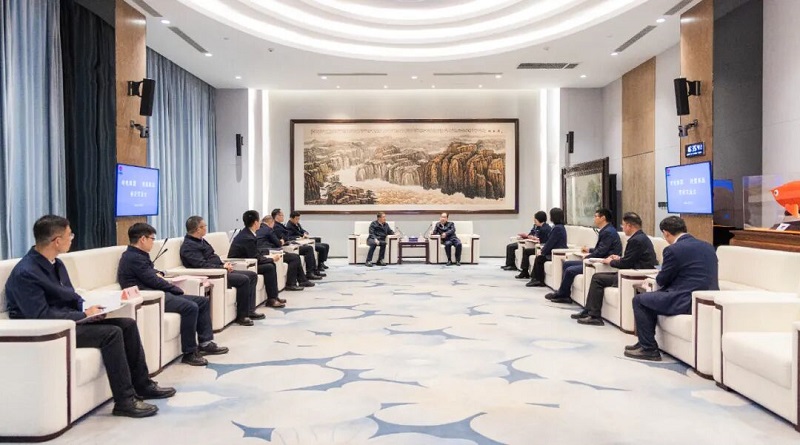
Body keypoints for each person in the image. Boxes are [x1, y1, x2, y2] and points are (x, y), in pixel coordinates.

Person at [4, 215, 175, 418]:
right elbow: (40, 315)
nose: (72, 239)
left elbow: (71, 296)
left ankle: (143, 385)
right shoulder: (26, 273)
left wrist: (91, 309)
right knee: (111, 333)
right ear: (57, 241)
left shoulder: (56, 264)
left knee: (127, 324)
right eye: (70, 235)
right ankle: (124, 401)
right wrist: (82, 315)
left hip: (70, 320)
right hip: (54, 332)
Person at [118, 223, 229, 366]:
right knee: (190, 307)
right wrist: (177, 290)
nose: (153, 242)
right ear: (142, 239)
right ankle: (189, 353)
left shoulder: (138, 255)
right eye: (152, 239)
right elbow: (152, 280)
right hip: (149, 296)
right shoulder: (134, 257)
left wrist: (160, 273)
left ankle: (205, 343)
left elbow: (151, 273)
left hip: (157, 292)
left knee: (202, 301)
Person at [625, 216, 719, 361]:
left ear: (666, 233)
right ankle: (644, 342)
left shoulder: (673, 250)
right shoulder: (708, 246)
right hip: (706, 300)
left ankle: (648, 348)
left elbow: (662, 279)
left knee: (639, 300)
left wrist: (654, 279)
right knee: (651, 298)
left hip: (685, 299)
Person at [573, 212, 658, 326]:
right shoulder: (640, 237)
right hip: (631, 270)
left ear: (629, 226)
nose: (622, 228)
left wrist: (610, 262)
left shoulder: (636, 240)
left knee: (597, 278)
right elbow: (632, 259)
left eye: (623, 225)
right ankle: (589, 311)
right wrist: (619, 258)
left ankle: (594, 315)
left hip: (632, 274)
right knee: (597, 277)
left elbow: (626, 264)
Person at [180, 216, 264, 326]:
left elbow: (211, 256)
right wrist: (222, 268)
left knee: (252, 275)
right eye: (204, 226)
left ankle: (250, 311)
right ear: (198, 229)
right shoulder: (189, 246)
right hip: (213, 275)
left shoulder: (201, 240)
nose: (206, 228)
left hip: (220, 269)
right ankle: (242, 316)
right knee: (243, 279)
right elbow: (201, 265)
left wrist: (224, 264)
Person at [545, 208, 622, 304]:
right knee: (566, 264)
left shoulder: (608, 232)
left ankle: (563, 295)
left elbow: (601, 252)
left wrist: (588, 257)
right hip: (598, 258)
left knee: (570, 270)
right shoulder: (606, 230)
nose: (594, 218)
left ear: (603, 218)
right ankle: (563, 293)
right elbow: (601, 249)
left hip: (602, 263)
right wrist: (589, 250)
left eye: (596, 216)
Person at [228, 210, 286, 308]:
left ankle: (274, 297)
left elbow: (256, 252)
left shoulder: (248, 233)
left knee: (270, 265)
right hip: (242, 264)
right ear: (255, 223)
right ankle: (272, 298)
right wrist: (271, 259)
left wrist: (268, 255)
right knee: (269, 266)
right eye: (259, 221)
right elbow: (255, 257)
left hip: (249, 261)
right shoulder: (247, 237)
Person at [256, 215, 315, 290]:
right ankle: (291, 284)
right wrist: (281, 241)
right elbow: (278, 243)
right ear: (271, 222)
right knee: (295, 257)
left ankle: (303, 280)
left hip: (263, 251)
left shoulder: (258, 229)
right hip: (269, 252)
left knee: (294, 257)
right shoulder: (269, 229)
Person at [272, 208, 326, 278]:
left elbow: (288, 236)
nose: (283, 217)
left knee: (312, 245)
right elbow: (285, 237)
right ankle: (310, 272)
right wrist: (297, 238)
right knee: (309, 249)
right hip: (286, 247)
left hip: (291, 243)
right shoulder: (277, 226)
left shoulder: (281, 225)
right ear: (277, 216)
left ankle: (315, 270)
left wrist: (303, 234)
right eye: (282, 215)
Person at [528, 208, 568, 287]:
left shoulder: (557, 228)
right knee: (539, 257)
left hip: (556, 253)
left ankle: (539, 280)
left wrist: (542, 251)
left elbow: (550, 243)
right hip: (553, 251)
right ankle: (535, 278)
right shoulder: (558, 227)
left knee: (540, 258)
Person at [512, 211, 552, 277]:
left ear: (538, 219)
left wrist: (534, 239)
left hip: (542, 248)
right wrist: (531, 237)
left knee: (527, 251)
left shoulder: (545, 229)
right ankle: (524, 271)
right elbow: (533, 234)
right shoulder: (539, 227)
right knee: (526, 251)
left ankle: (525, 271)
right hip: (538, 246)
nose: (534, 221)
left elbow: (542, 241)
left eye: (535, 220)